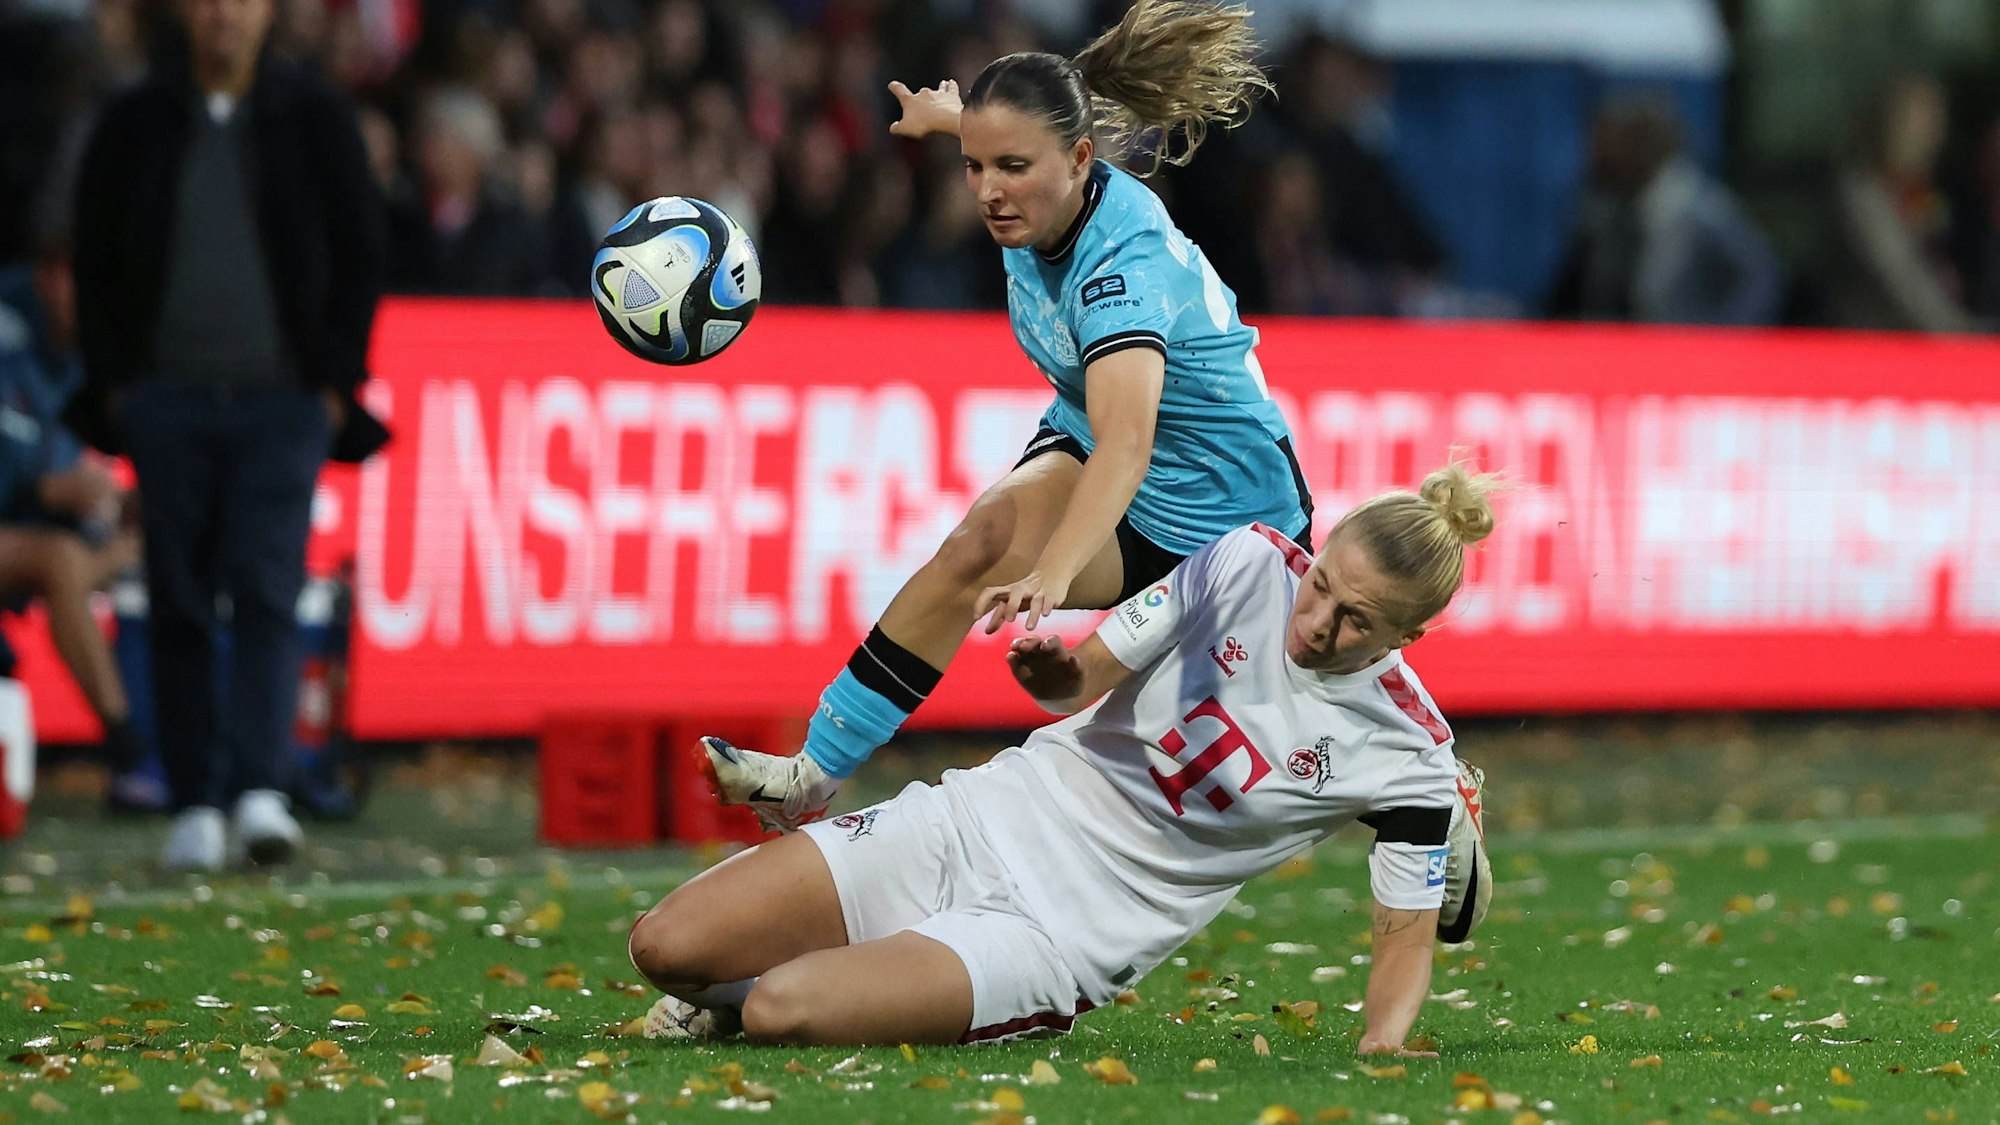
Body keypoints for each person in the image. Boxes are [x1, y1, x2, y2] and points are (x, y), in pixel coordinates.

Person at [704, 0, 1317, 832]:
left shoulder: (1119, 268)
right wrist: (943, 117)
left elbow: (1130, 443)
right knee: (976, 545)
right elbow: (1006, 138)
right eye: (973, 167)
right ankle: (812, 773)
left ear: (1082, 159)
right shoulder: (1035, 173)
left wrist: (1055, 571)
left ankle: (1431, 791)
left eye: (1010, 169)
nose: (989, 192)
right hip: (1104, 439)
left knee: (1279, 755)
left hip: (1227, 510)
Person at [627, 464, 1498, 1049]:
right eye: (1321, 588)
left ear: (1410, 636)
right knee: (665, 945)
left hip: (1059, 933)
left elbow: (1402, 942)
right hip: (977, 819)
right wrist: (1056, 670)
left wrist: (1383, 1049)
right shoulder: (1246, 563)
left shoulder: (1408, 750)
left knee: (782, 1008)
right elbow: (1080, 680)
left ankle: (750, 995)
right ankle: (755, 977)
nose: (1315, 624)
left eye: (1357, 623)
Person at [68, 0, 389, 870]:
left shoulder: (313, 113)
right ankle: (194, 799)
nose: (224, 16)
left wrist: (330, 384)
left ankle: (257, 787)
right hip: (164, 400)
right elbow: (91, 254)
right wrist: (119, 388)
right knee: (174, 596)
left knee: (266, 590)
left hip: (282, 403)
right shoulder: (136, 119)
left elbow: (362, 247)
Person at [0, 234, 149, 802]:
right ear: (49, 275)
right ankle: (130, 750)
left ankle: (204, 745)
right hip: (29, 532)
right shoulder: (11, 340)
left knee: (155, 535)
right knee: (60, 560)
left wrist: (118, 505)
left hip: (43, 532)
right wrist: (45, 486)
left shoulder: (82, 354)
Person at [1545, 96, 1782, 327]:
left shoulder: (1700, 208)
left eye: (1610, 145)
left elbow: (1760, 276)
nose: (1598, 157)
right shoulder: (1603, 212)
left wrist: (1722, 338)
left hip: (1686, 348)